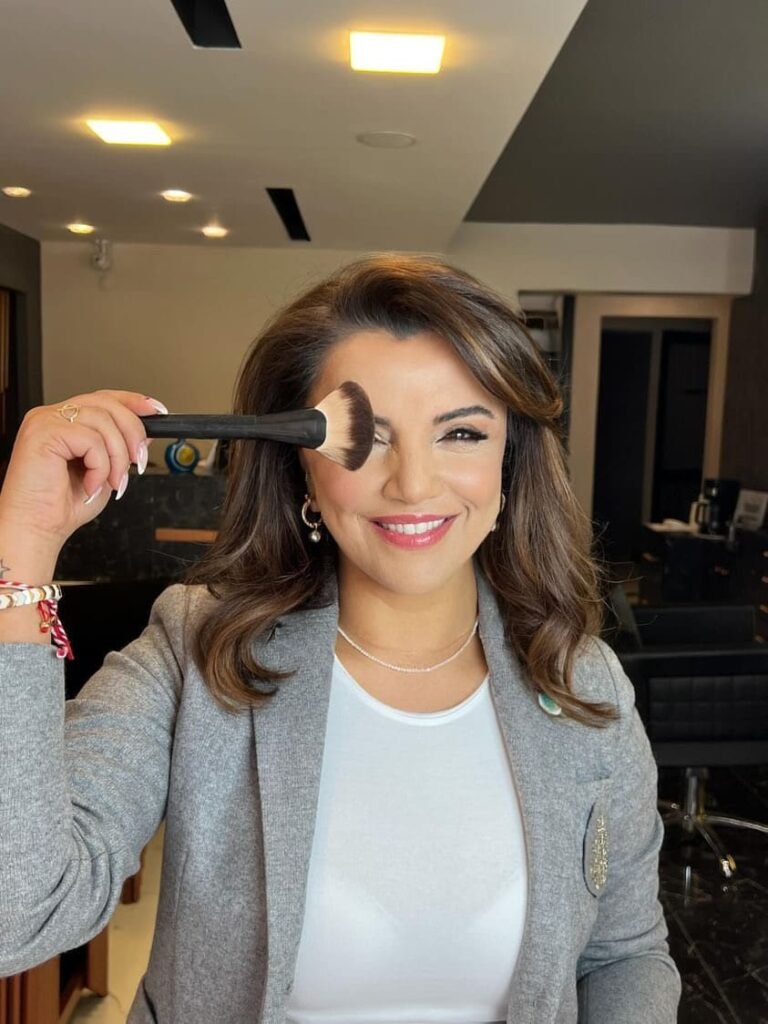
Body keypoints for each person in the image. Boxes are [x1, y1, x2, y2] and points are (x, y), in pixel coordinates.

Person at [0, 254, 681, 1023]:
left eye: (461, 432)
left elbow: (626, 956)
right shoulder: (196, 650)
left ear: (509, 465)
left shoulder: (582, 682)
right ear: (303, 473)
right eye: (370, 440)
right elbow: (17, 915)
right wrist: (22, 544)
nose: (414, 485)